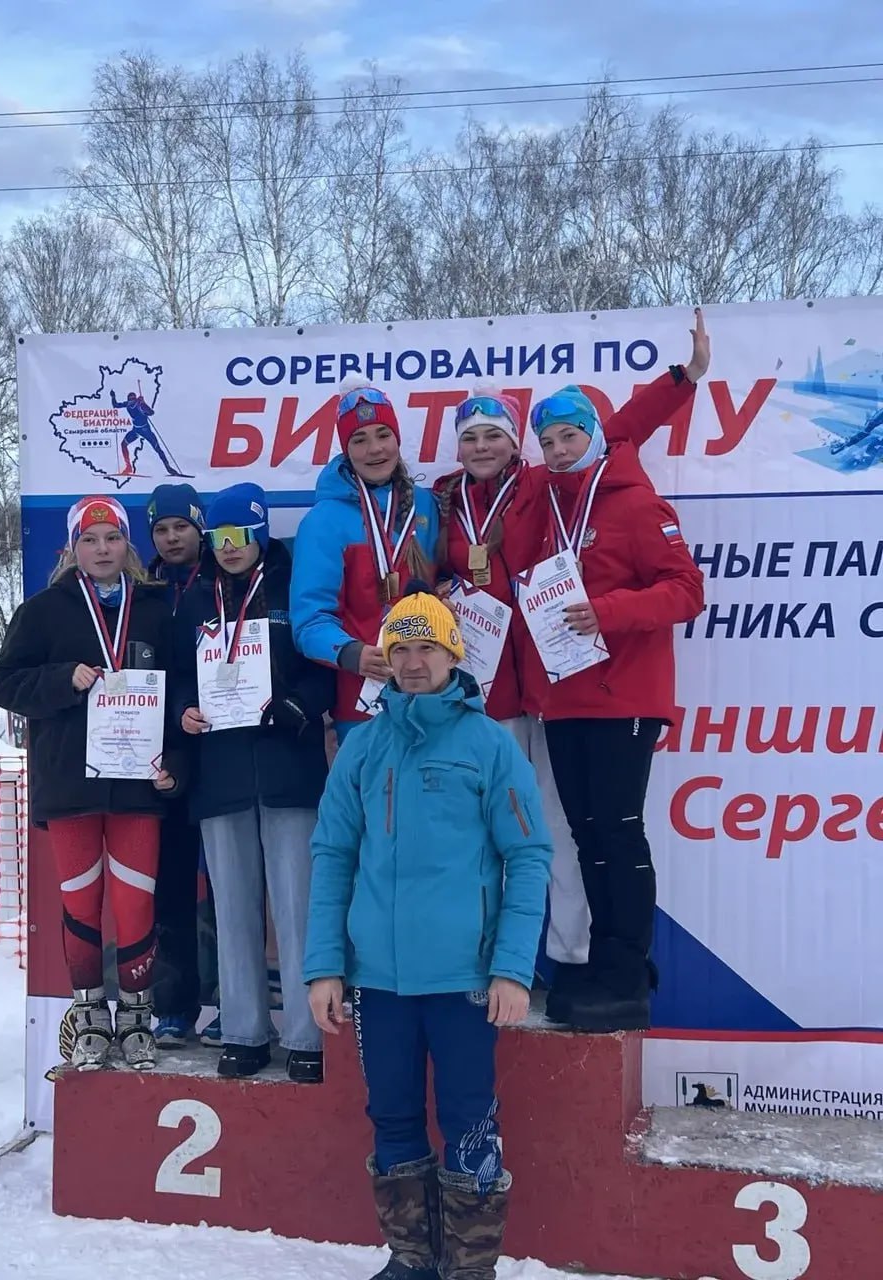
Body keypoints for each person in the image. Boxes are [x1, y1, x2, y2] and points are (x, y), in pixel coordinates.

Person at [433, 314, 710, 982]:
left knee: (571, 830)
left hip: (563, 684)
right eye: (469, 437)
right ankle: (495, 964)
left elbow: (619, 429)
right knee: (545, 830)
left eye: (495, 435)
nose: (482, 447)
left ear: (514, 446)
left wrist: (684, 378)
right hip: (500, 688)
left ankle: (577, 958)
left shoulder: (545, 487)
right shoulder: (443, 503)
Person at [304, 585, 552, 1280]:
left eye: (427, 648)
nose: (412, 663)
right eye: (400, 649)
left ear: (454, 654)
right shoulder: (362, 748)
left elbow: (529, 857)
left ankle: (469, 1267)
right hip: (378, 981)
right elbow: (332, 856)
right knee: (392, 1117)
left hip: (463, 978)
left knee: (470, 1119)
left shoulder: (489, 745)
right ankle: (411, 1259)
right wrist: (325, 967)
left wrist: (512, 968)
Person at [523, 321, 708, 1034]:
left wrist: (607, 612)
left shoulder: (633, 501)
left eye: (570, 436)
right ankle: (603, 968)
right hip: (564, 699)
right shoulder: (551, 502)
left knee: (619, 832)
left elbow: (686, 591)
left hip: (624, 696)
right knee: (586, 836)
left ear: (595, 437)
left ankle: (629, 975)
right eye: (548, 441)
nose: (559, 450)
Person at [0, 495, 181, 1070]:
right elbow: (2, 683)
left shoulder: (154, 609)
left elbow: (180, 696)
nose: (102, 549)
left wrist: (175, 766)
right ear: (72, 549)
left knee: (134, 903)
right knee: (81, 904)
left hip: (137, 785)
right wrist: (60, 680)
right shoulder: (44, 610)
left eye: (112, 538)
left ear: (128, 545)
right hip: (70, 786)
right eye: (90, 540)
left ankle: (138, 1017)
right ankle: (90, 1014)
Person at [174, 483, 334, 1083]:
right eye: (220, 537)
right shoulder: (195, 599)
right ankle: (243, 1030)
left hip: (289, 769)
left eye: (242, 534)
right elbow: (177, 676)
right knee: (233, 907)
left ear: (262, 532)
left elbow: (324, 667)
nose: (231, 546)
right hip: (221, 774)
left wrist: (301, 705)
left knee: (297, 908)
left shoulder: (294, 587)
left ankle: (307, 1034)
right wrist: (184, 711)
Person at [290, 377, 438, 743]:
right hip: (365, 703)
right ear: (346, 449)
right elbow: (309, 621)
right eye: (359, 440)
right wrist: (350, 653)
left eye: (383, 434)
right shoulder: (323, 521)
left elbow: (441, 579)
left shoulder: (424, 505)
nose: (375, 449)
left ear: (397, 438)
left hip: (432, 694)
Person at [144, 484, 221, 1049]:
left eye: (181, 527)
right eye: (161, 529)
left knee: (230, 884)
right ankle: (173, 1006)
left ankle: (233, 1001)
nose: (172, 538)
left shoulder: (226, 580)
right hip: (160, 751)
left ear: (200, 529)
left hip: (217, 746)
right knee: (169, 883)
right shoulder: (142, 591)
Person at [111, 389, 182, 478]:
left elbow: (151, 412)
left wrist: (144, 404)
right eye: (130, 400)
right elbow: (115, 405)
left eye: (133, 399)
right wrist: (113, 396)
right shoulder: (128, 404)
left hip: (146, 431)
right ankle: (128, 467)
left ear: (135, 399)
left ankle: (168, 468)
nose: (131, 402)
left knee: (157, 449)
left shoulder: (139, 404)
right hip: (136, 430)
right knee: (123, 444)